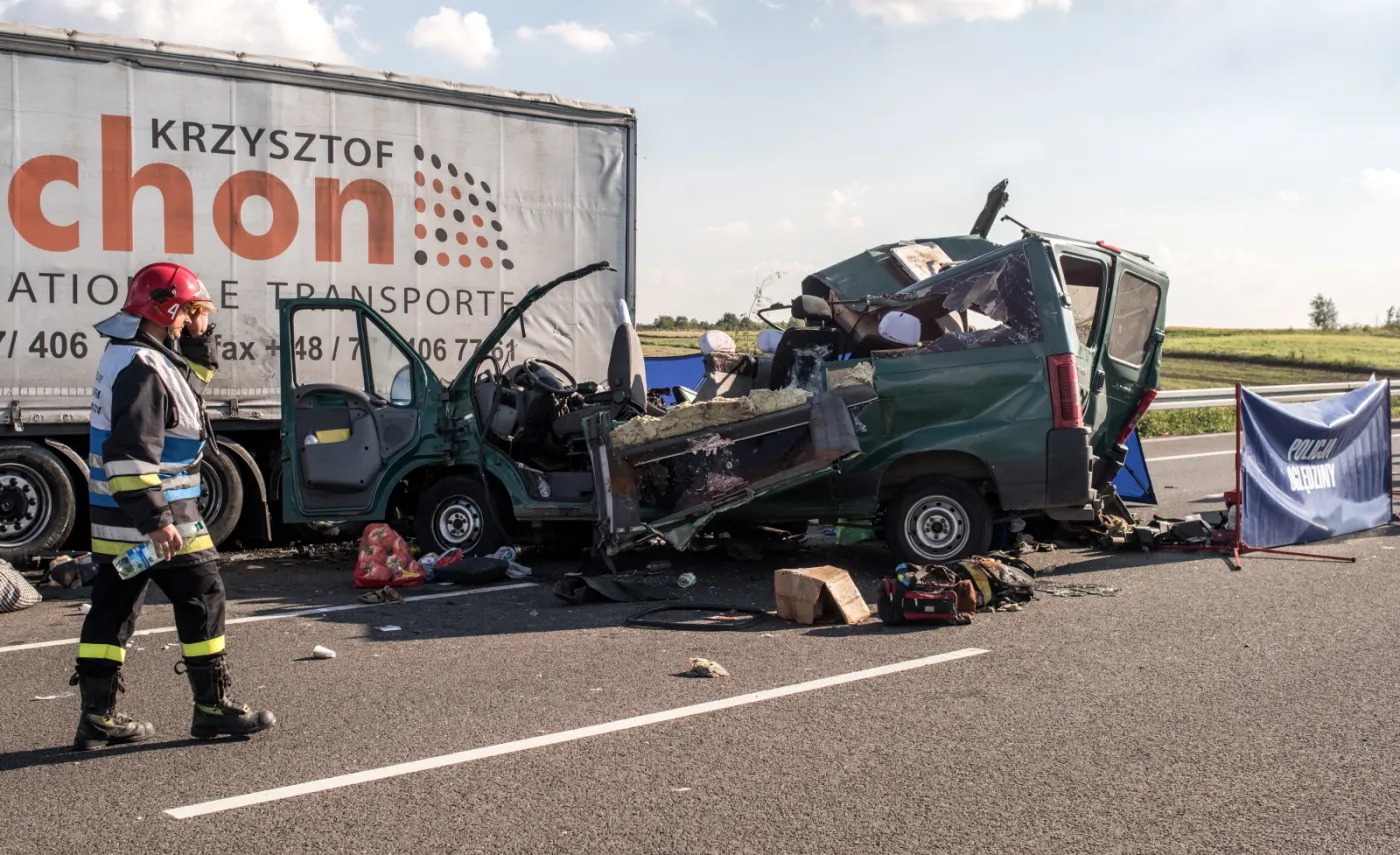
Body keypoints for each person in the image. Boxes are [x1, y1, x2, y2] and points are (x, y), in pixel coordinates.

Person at [71, 261, 275, 751]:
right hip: (162, 516)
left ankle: (97, 719)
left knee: (113, 609)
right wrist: (158, 521)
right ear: (165, 309)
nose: (191, 320)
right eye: (188, 312)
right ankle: (211, 708)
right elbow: (128, 456)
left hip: (126, 519)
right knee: (204, 595)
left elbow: (190, 390)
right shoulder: (142, 368)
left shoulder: (138, 356)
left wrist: (200, 339)